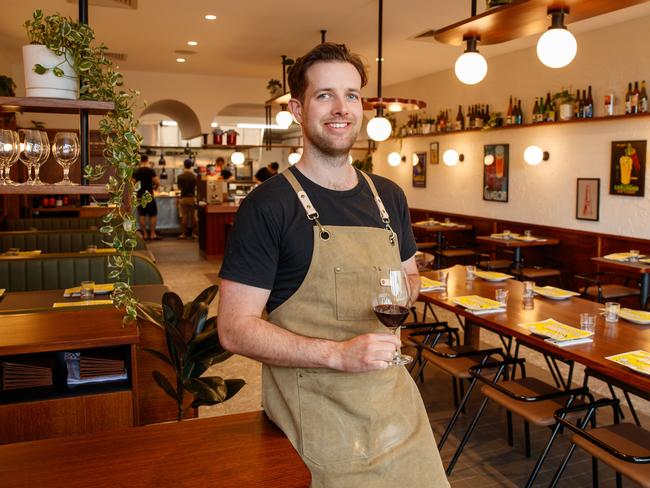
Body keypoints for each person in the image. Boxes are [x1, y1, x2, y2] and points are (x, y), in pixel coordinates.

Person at [217, 43, 449, 487]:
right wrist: (337, 355)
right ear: (298, 109)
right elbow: (234, 328)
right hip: (316, 418)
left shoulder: (389, 197)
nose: (341, 108)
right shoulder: (267, 206)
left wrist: (405, 290)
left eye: (352, 95)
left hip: (396, 408)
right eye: (325, 95)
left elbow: (410, 274)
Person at [133, 155, 160, 240]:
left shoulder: (136, 171)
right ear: (147, 160)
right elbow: (157, 182)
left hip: (140, 196)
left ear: (140, 161)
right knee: (153, 215)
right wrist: (154, 187)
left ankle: (144, 234)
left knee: (142, 215)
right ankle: (152, 234)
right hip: (149, 195)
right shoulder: (151, 170)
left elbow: (132, 184)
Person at [177, 158, 197, 239]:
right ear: (191, 166)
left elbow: (179, 187)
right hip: (192, 198)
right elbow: (196, 187)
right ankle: (193, 234)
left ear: (184, 165)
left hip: (183, 198)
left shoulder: (180, 176)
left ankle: (184, 234)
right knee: (193, 217)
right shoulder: (194, 176)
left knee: (184, 217)